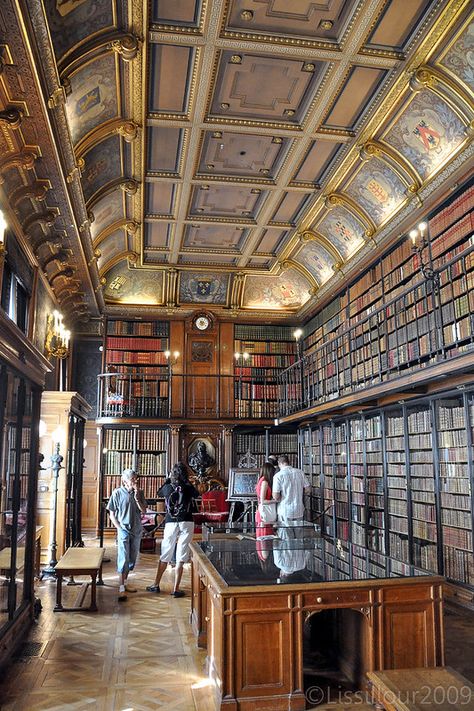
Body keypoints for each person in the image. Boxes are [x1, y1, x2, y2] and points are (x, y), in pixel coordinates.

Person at [147, 462, 199, 597]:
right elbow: (197, 494)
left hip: (171, 522)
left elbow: (159, 492)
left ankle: (156, 584)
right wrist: (186, 482)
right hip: (187, 521)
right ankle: (176, 588)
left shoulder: (168, 487)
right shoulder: (187, 487)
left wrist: (168, 480)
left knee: (166, 552)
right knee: (182, 554)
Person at [107, 468, 146, 602]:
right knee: (123, 558)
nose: (135, 481)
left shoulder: (139, 493)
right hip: (123, 529)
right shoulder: (117, 493)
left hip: (136, 529)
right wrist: (119, 528)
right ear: (124, 480)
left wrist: (136, 497)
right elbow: (111, 513)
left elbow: (144, 510)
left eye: (136, 479)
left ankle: (125, 582)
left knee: (132, 559)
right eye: (132, 479)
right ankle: (121, 588)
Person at [272, 455, 310, 526]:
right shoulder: (300, 472)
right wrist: (298, 494)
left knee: (286, 535)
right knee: (299, 535)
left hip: (285, 510)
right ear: (288, 462)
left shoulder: (278, 476)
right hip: (299, 509)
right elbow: (308, 490)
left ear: (279, 463)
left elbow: (276, 496)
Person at [255, 462, 275, 540]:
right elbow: (263, 501)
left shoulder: (261, 480)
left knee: (264, 537)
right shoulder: (265, 482)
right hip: (263, 513)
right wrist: (276, 501)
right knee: (265, 537)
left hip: (262, 512)